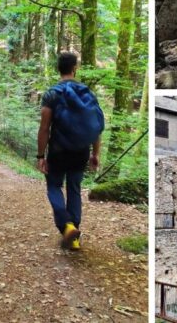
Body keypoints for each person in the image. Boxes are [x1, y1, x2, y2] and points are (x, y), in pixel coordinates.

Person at [37, 52, 104, 251]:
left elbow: (44, 128)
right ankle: (73, 235)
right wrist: (95, 153)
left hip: (58, 152)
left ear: (59, 68)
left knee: (54, 187)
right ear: (75, 68)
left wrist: (41, 155)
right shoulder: (88, 93)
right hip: (80, 152)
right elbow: (95, 127)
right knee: (74, 189)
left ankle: (66, 226)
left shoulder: (51, 94)